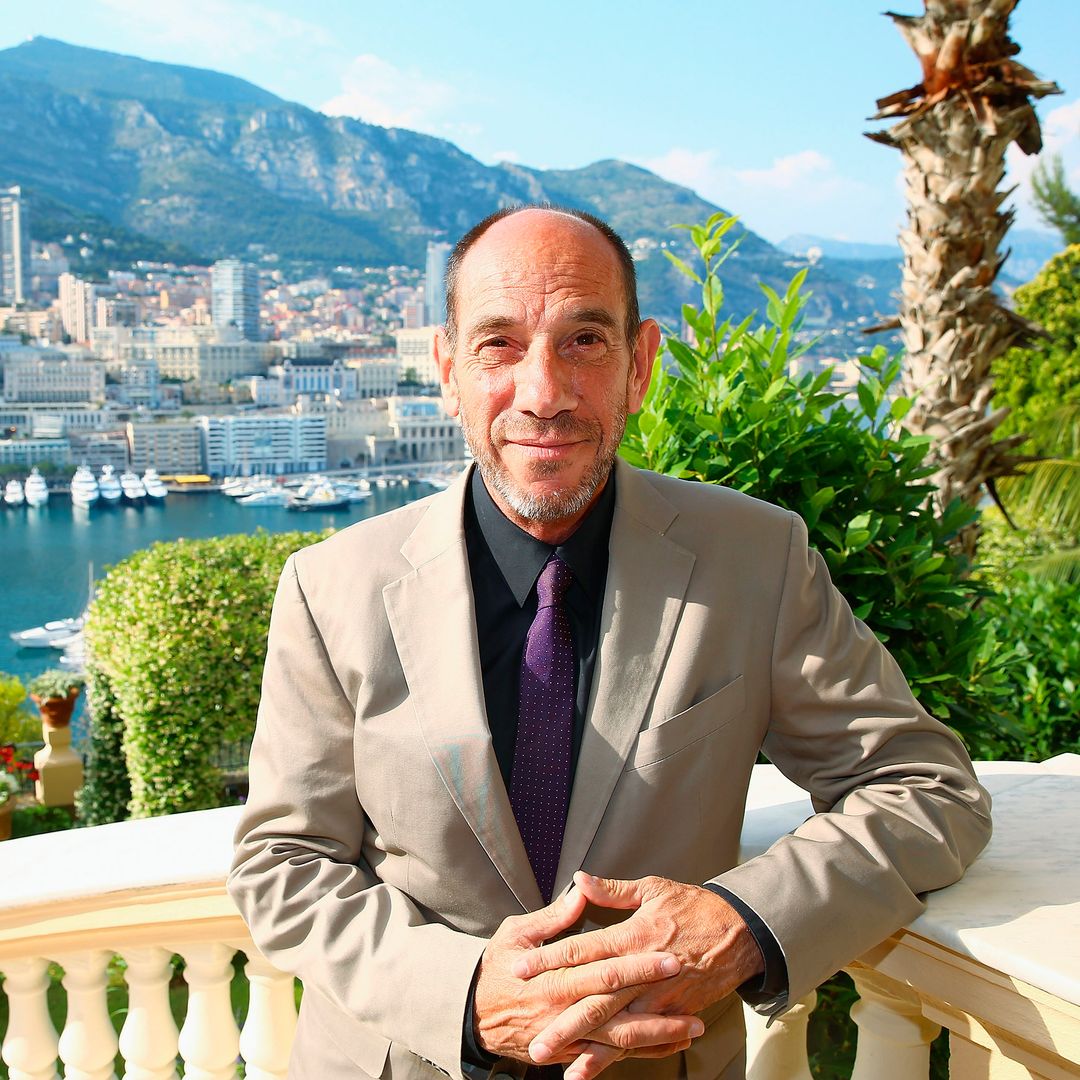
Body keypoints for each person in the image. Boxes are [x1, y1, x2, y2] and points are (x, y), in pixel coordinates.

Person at [228, 205, 991, 1080]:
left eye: (584, 341)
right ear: (446, 371)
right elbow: (283, 861)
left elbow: (925, 788)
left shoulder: (754, 560)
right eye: (499, 345)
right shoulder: (332, 587)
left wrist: (740, 923)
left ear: (641, 365)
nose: (544, 393)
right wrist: (465, 994)